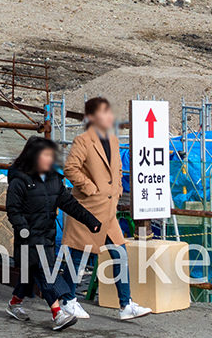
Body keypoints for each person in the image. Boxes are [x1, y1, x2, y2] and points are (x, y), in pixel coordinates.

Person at [63, 98, 150, 321]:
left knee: (119, 253)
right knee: (78, 255)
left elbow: (118, 169)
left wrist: (119, 188)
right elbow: (70, 168)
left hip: (108, 210)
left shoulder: (112, 139)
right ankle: (68, 301)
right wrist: (90, 187)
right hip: (88, 208)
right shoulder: (82, 141)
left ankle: (126, 304)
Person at [5, 136, 101, 331]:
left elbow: (69, 204)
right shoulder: (20, 180)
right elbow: (13, 210)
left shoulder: (54, 180)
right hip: (28, 237)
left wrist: (91, 221)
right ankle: (58, 314)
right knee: (46, 273)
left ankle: (14, 304)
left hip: (46, 236)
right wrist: (22, 228)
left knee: (30, 275)